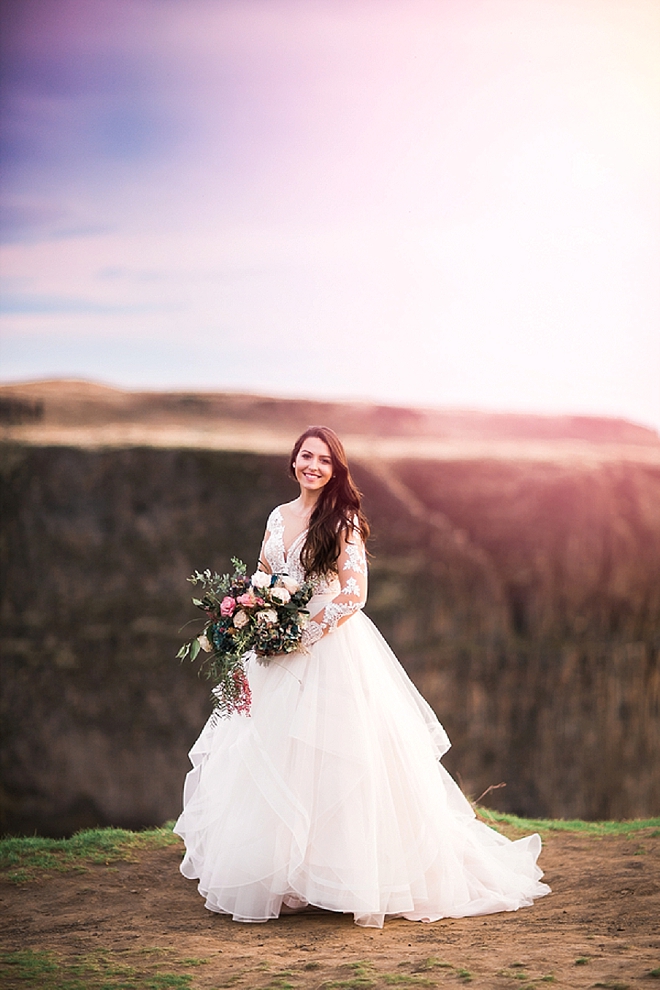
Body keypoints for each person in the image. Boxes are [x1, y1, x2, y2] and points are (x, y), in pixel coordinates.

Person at [174, 426, 550, 928]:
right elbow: (265, 576)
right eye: (306, 456)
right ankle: (287, 879)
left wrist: (303, 634)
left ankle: (346, 875)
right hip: (274, 650)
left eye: (324, 460)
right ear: (293, 462)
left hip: (330, 647)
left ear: (335, 470)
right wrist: (254, 614)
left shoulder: (343, 518)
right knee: (274, 757)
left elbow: (354, 595)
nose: (313, 465)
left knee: (338, 758)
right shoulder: (277, 517)